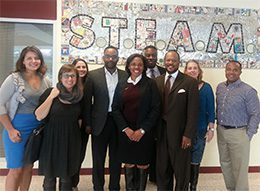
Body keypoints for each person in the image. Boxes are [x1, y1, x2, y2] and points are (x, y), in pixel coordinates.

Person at [0, 46, 51, 191]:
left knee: (29, 167)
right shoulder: (13, 79)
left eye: (36, 58)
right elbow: (0, 104)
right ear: (23, 61)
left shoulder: (45, 79)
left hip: (37, 130)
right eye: (29, 58)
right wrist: (10, 129)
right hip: (17, 129)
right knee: (16, 169)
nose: (33, 61)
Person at [112, 54, 160, 190]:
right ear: (128, 66)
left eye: (139, 64)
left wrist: (142, 130)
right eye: (133, 64)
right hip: (125, 132)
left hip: (144, 133)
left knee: (142, 164)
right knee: (128, 163)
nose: (136, 67)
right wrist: (126, 129)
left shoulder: (151, 84)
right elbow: (115, 108)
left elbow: (156, 109)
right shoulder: (121, 83)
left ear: (144, 67)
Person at [84, 46, 127, 191]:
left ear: (117, 58)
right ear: (103, 58)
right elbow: (87, 101)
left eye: (114, 56)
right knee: (98, 158)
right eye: (108, 56)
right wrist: (88, 123)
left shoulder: (125, 75)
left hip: (118, 122)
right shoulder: (93, 75)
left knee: (116, 158)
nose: (110, 59)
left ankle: (114, 186)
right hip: (99, 123)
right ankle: (98, 186)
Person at [154, 50, 199, 191]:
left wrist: (188, 135)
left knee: (181, 172)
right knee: (162, 170)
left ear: (179, 62)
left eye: (173, 60)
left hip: (181, 136)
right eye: (168, 60)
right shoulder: (157, 81)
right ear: (164, 62)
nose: (170, 63)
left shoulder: (189, 82)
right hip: (161, 134)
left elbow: (193, 111)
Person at [35, 64, 83, 191]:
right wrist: (51, 97)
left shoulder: (79, 96)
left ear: (77, 78)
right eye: (66, 76)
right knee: (50, 178)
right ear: (60, 77)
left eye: (73, 76)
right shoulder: (50, 92)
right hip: (51, 139)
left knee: (66, 177)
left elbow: (80, 120)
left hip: (71, 140)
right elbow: (39, 116)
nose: (70, 79)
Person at [216, 60, 260, 191]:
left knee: (240, 168)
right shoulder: (220, 87)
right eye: (228, 69)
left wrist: (248, 135)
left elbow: (255, 114)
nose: (231, 72)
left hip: (239, 133)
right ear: (225, 70)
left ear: (240, 72)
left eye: (235, 70)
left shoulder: (248, 91)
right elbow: (218, 108)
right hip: (222, 131)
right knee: (225, 164)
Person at [184, 60, 215, 191]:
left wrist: (211, 129)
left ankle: (193, 187)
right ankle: (184, 185)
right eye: (189, 68)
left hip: (200, 130)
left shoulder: (206, 87)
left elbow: (211, 109)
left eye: (195, 68)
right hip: (183, 131)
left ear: (199, 71)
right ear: (185, 71)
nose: (192, 70)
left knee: (195, 160)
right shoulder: (181, 85)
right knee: (184, 161)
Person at [143, 45, 165, 184]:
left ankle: (156, 177)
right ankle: (143, 178)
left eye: (153, 55)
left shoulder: (164, 71)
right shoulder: (137, 70)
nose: (151, 58)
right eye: (148, 55)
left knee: (160, 148)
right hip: (144, 117)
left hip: (162, 116)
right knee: (145, 147)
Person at [71, 58, 89, 190]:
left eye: (84, 67)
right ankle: (67, 183)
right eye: (78, 67)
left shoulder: (90, 84)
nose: (82, 69)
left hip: (84, 128)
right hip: (70, 127)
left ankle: (74, 184)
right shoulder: (69, 83)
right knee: (69, 156)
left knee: (79, 157)